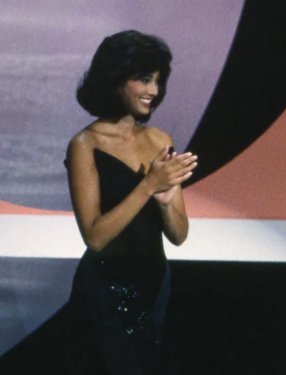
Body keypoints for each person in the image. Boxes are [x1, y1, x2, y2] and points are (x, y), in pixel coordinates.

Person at [64, 30, 196, 375]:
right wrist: (148, 185)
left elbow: (180, 235)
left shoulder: (159, 139)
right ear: (115, 79)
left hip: (155, 287)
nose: (153, 90)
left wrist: (167, 201)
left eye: (158, 80)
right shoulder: (85, 144)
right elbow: (95, 236)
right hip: (105, 292)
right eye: (144, 79)